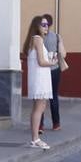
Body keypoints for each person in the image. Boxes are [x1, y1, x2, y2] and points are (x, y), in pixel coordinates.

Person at [22, 15, 55, 149]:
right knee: (39, 108)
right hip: (40, 78)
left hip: (38, 77)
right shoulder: (38, 39)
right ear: (37, 26)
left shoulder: (33, 40)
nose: (46, 27)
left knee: (38, 108)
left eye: (47, 24)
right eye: (43, 24)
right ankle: (35, 138)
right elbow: (41, 61)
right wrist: (52, 62)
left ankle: (35, 137)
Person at [42, 14, 66, 131]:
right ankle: (56, 124)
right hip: (54, 70)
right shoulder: (57, 37)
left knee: (41, 97)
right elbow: (63, 54)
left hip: (42, 70)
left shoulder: (38, 37)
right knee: (53, 96)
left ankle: (40, 125)